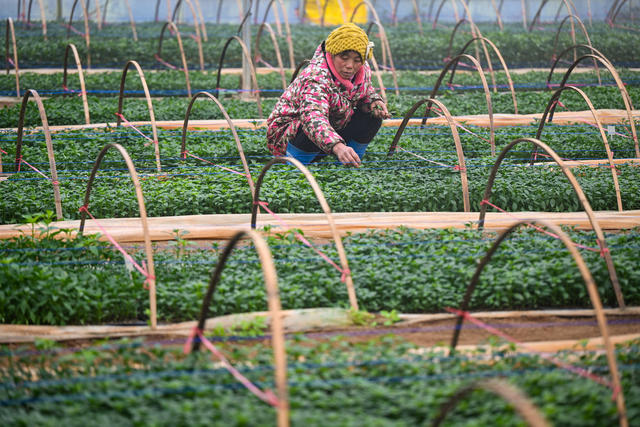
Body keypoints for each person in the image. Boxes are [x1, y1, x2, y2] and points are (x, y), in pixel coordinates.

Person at [266, 23, 390, 167]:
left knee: (372, 117)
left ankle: (351, 162)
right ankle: (296, 167)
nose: (350, 65)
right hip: (288, 136)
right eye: (344, 57)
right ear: (332, 54)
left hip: (331, 127)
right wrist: (337, 146)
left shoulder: (362, 69)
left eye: (357, 60)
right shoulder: (316, 77)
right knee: (310, 126)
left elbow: (362, 90)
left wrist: (372, 101)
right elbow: (313, 117)